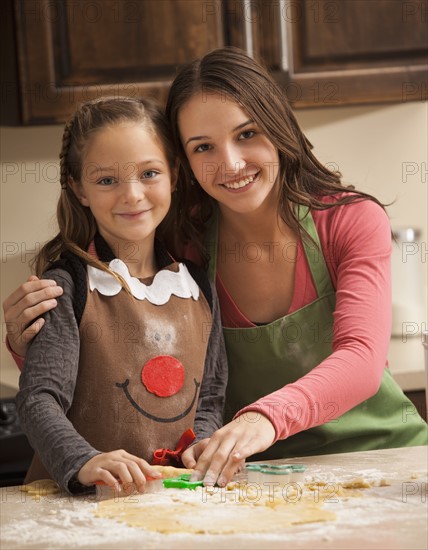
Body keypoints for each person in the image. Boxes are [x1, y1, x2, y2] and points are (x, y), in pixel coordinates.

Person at [4, 49, 427, 489]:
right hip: (263, 475)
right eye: (203, 146)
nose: (230, 163)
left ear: (278, 126)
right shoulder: (186, 241)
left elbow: (361, 357)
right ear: (182, 162)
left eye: (247, 133)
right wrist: (27, 342)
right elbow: (121, 339)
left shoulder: (347, 220)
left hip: (388, 459)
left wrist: (265, 418)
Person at [11, 96, 228, 495]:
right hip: (74, 506)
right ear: (78, 188)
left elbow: (210, 397)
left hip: (167, 500)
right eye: (107, 180)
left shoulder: (198, 284)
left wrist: (201, 445)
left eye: (149, 173)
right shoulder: (67, 286)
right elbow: (38, 399)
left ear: (174, 176)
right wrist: (83, 461)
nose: (132, 195)